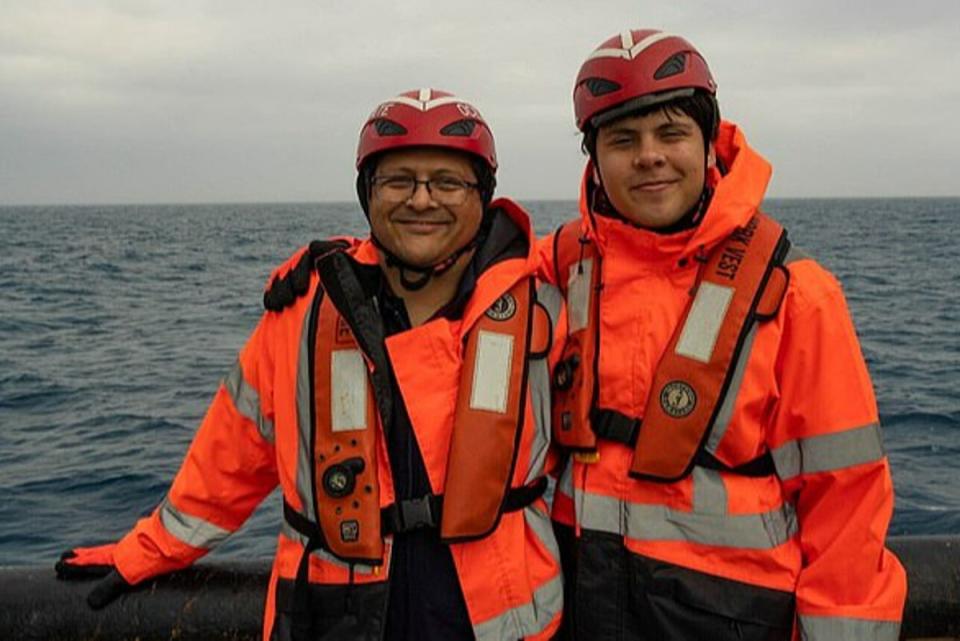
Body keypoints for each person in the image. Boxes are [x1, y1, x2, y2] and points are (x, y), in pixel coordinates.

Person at [55, 88, 565, 641]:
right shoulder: (302, 308)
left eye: (447, 181)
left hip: (503, 620)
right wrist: (147, 551)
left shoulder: (547, 301)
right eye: (398, 180)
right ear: (367, 193)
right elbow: (230, 455)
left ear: (483, 195)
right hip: (330, 615)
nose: (422, 200)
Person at [541, 29, 907, 640]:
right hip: (581, 602)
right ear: (594, 159)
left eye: (672, 133)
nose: (649, 156)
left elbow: (847, 505)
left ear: (710, 143)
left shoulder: (798, 298)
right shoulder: (556, 269)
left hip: (733, 618)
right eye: (622, 139)